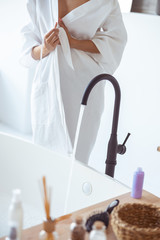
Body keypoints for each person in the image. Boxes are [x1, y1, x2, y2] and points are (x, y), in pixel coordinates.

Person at [20, 0, 127, 164]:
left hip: (84, 87)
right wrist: (46, 48)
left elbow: (116, 41)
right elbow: (26, 51)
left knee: (77, 159)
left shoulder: (106, 2)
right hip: (47, 86)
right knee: (43, 157)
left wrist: (73, 42)